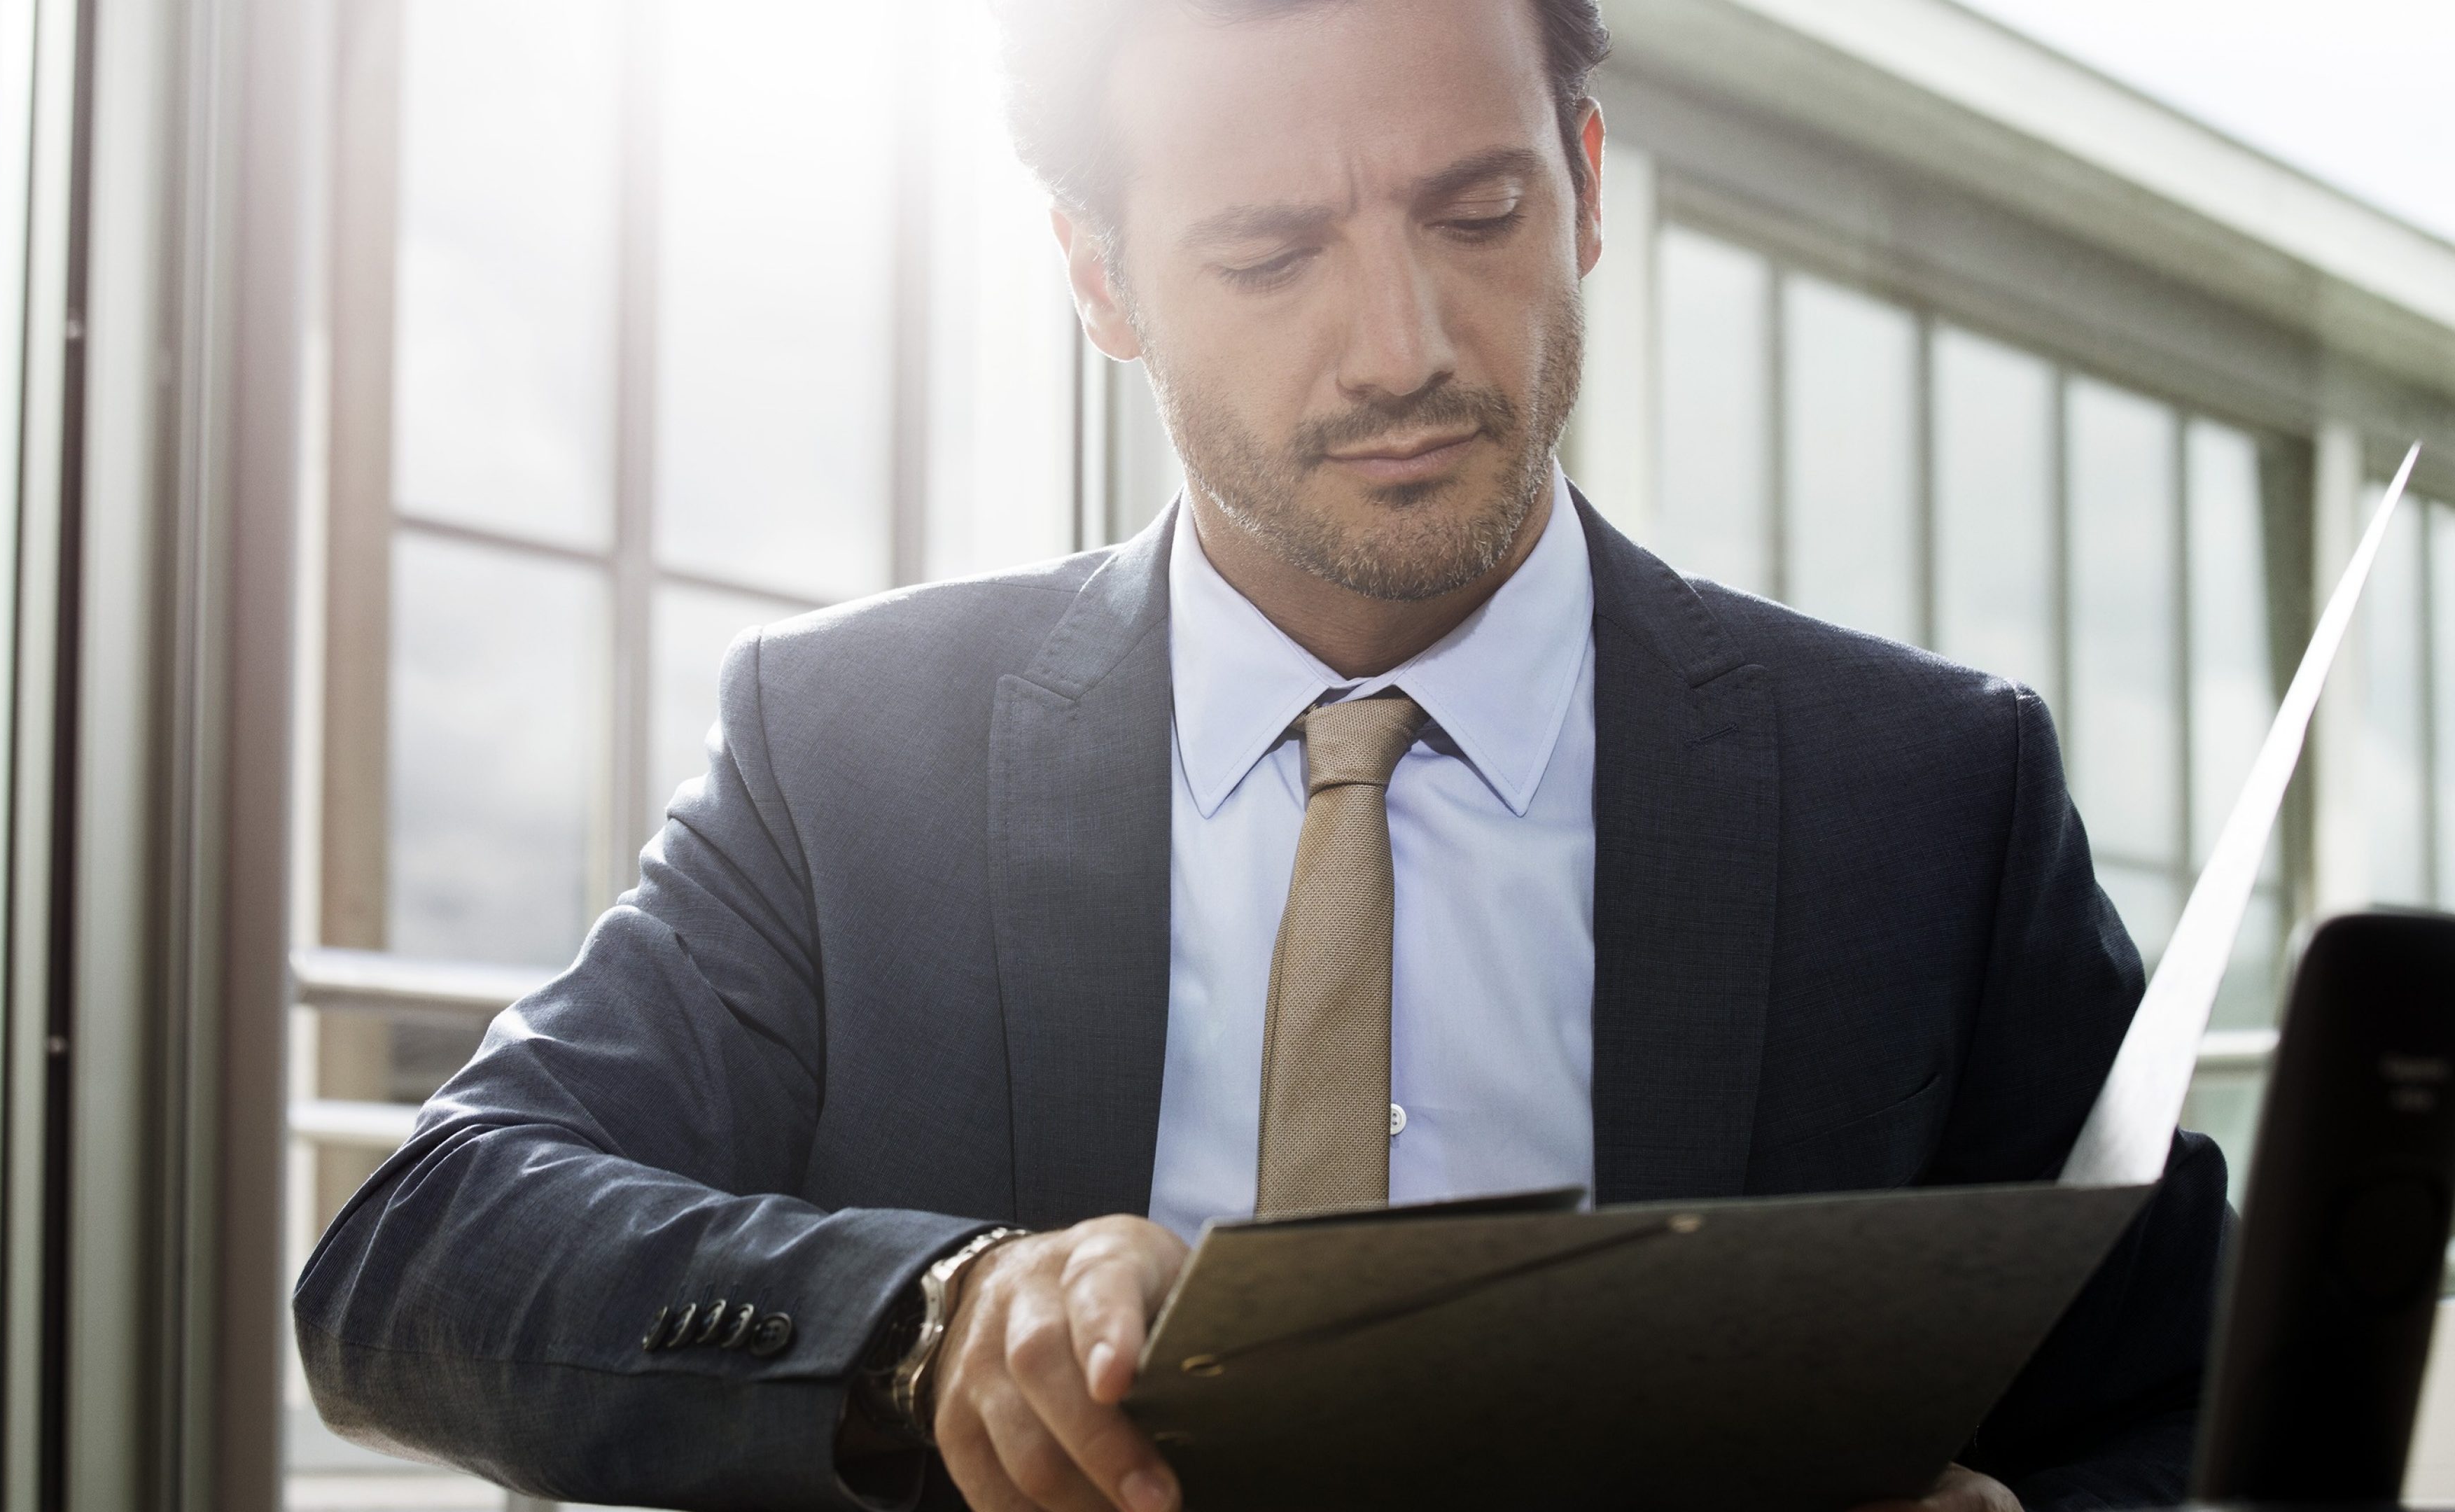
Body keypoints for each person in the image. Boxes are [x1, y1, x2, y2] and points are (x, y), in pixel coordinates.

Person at [295, 2, 2227, 1509]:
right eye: (1271, 254)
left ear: (1588, 177)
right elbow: (418, 1264)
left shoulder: (1928, 792)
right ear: (1104, 281)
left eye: (1477, 213)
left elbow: (2196, 1408)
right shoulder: (849, 752)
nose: (1402, 346)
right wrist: (935, 1320)